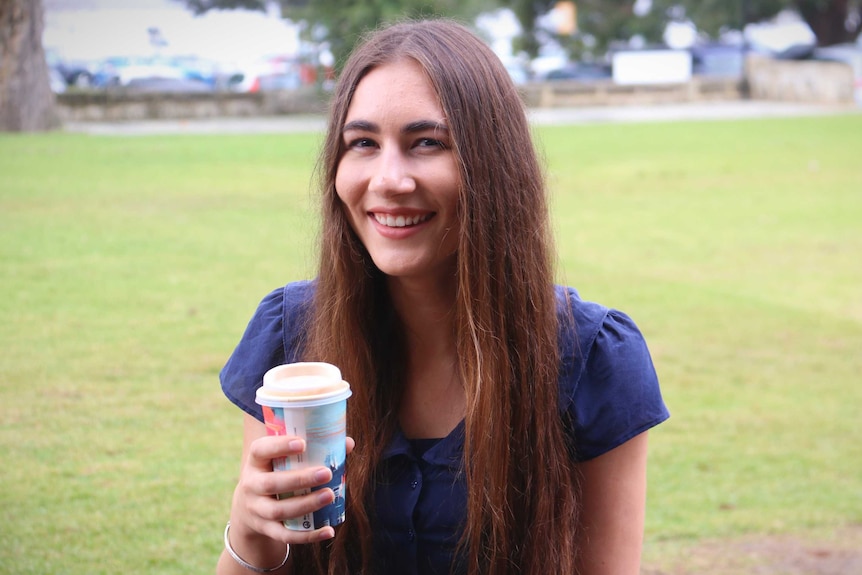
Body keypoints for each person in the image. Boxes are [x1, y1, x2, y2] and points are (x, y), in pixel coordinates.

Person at [217, 18, 669, 575]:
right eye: (363, 143)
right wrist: (249, 533)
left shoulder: (592, 358)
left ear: (493, 165)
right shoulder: (292, 337)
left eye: (426, 142)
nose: (389, 179)